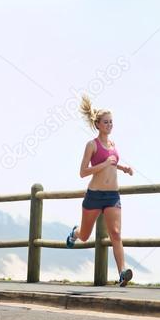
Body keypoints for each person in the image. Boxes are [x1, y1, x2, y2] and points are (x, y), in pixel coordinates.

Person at [66, 95, 135, 287]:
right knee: (86, 235)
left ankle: (122, 272)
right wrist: (104, 163)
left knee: (116, 233)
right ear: (97, 124)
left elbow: (112, 164)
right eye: (106, 122)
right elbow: (83, 172)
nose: (109, 125)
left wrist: (124, 168)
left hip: (112, 195)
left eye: (111, 122)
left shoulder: (113, 145)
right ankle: (75, 233)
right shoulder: (91, 145)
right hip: (95, 195)